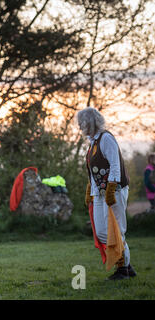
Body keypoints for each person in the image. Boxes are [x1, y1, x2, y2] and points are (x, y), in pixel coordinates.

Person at [77, 107, 136, 280]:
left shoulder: (106, 138)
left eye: (81, 123)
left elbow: (115, 165)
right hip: (100, 192)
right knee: (102, 232)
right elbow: (93, 171)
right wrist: (91, 189)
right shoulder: (92, 142)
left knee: (117, 229)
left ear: (89, 122)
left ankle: (123, 269)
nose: (80, 127)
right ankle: (127, 265)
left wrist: (111, 188)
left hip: (114, 190)